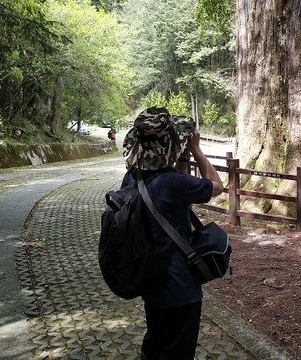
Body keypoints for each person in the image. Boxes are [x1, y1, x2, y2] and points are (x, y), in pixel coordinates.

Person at [121, 107, 223, 359]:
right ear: (171, 142)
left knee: (156, 344)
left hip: (150, 282)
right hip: (180, 288)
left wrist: (179, 158)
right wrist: (197, 150)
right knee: (177, 351)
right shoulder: (173, 184)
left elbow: (174, 188)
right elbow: (217, 186)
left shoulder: (133, 178)